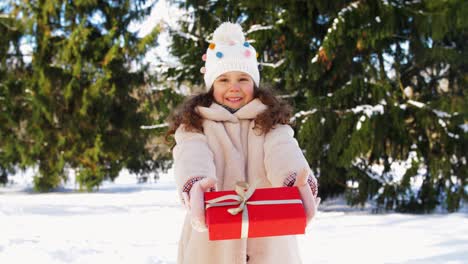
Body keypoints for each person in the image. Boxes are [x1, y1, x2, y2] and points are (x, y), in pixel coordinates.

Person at [167, 22, 321, 264]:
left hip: (270, 239)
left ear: (255, 83)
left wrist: (294, 181)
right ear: (211, 86)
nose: (234, 87)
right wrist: (196, 184)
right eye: (223, 80)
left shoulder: (270, 123)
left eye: (242, 78)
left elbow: (283, 151)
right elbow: (191, 155)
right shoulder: (195, 125)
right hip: (212, 241)